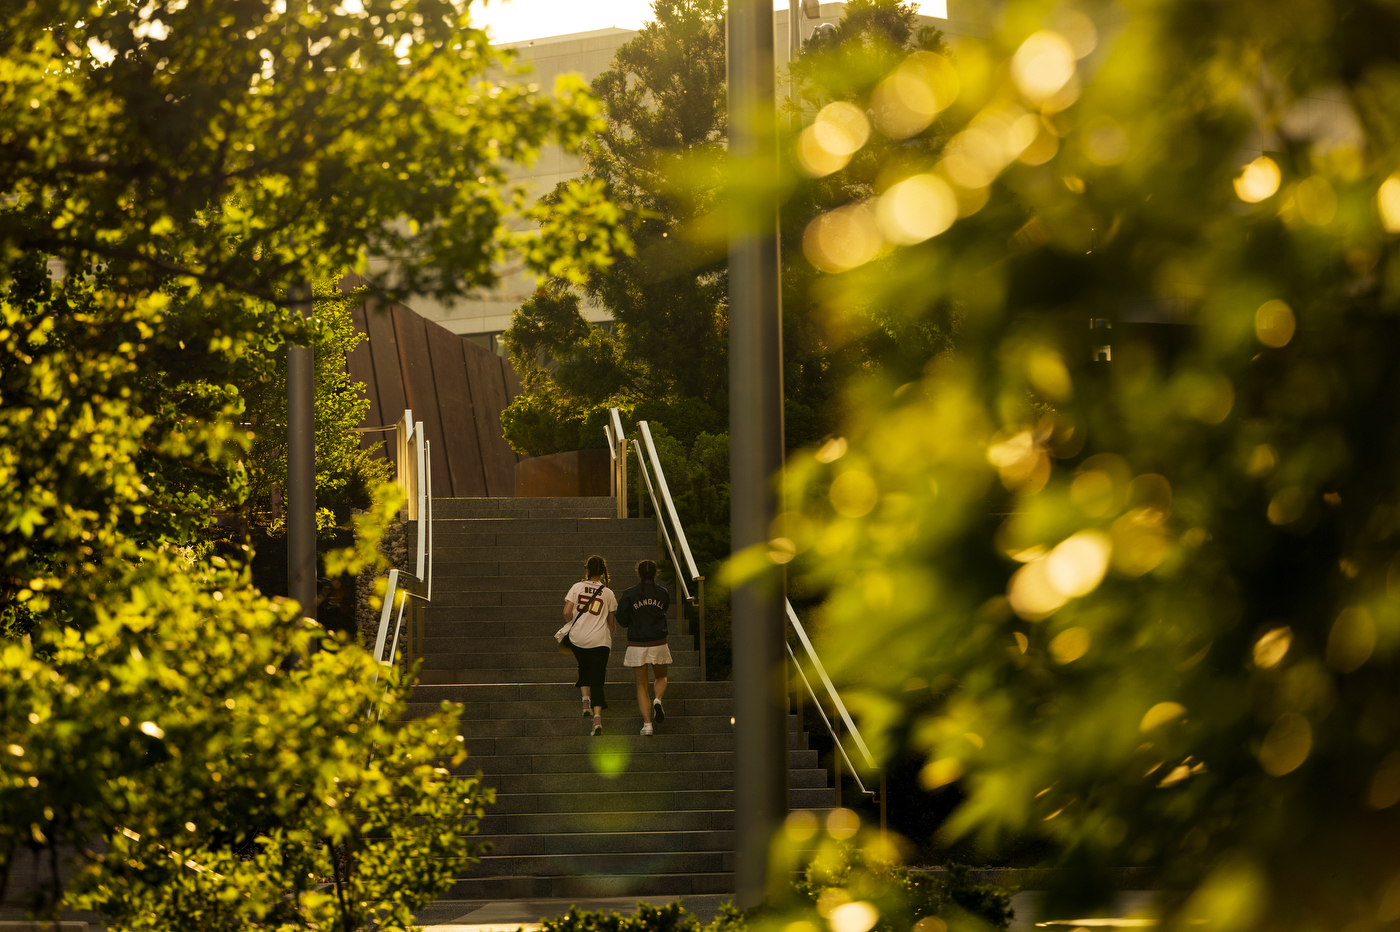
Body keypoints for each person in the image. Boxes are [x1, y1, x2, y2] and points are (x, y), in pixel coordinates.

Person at [562, 555, 617, 736]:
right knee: (598, 679)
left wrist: (573, 623)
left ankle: (585, 701)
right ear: (603, 572)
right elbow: (611, 623)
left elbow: (566, 612)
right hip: (600, 641)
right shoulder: (608, 593)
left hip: (578, 638)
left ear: (587, 570)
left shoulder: (577, 587)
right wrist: (610, 639)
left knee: (583, 666)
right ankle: (597, 719)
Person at [616, 560, 672, 736]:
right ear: (656, 574)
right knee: (661, 676)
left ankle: (647, 724)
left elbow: (621, 618)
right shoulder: (663, 593)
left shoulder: (629, 594)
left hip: (637, 643)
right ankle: (657, 699)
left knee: (641, 685)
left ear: (638, 574)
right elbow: (664, 610)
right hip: (658, 642)